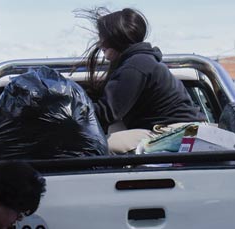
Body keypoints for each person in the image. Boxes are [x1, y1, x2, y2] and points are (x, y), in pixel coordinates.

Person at [78, 7, 206, 153]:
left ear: (115, 37)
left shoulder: (135, 66)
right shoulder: (140, 61)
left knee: (94, 146)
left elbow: (107, 113)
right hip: (177, 131)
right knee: (111, 131)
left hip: (175, 133)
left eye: (102, 38)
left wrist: (69, 114)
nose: (100, 44)